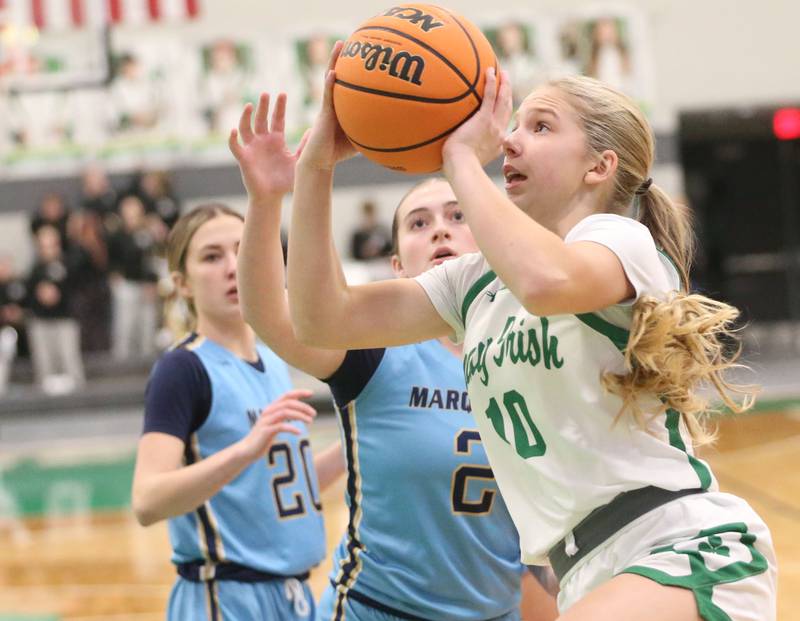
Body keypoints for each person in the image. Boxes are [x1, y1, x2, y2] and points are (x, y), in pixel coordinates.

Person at [287, 43, 777, 620]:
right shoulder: (474, 284)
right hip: (583, 572)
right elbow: (321, 318)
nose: (510, 141)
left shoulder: (621, 242)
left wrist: (461, 161)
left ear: (599, 166)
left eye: (540, 126)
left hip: (676, 546)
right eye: (512, 125)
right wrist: (314, 166)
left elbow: (546, 282)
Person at [230, 92, 558, 620]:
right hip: (377, 609)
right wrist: (269, 200)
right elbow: (269, 314)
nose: (441, 230)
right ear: (397, 266)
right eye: (418, 223)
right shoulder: (377, 352)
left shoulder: (535, 353)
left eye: (457, 214)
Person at [131, 203, 343, 620]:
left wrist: (355, 447)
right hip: (226, 598)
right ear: (182, 284)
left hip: (293, 594)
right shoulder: (183, 369)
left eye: (242, 250)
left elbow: (273, 490)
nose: (233, 267)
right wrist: (246, 450)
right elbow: (147, 500)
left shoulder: (274, 360)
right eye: (212, 257)